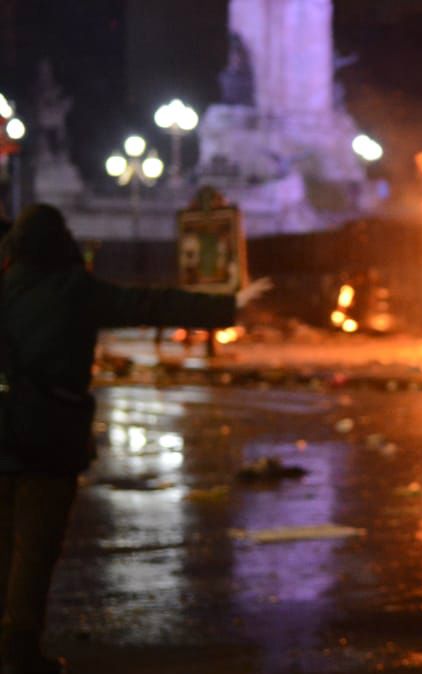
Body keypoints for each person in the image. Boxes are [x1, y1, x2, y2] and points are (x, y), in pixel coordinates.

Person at [0, 203, 271, 674]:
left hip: (2, 434)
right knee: (35, 553)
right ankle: (20, 654)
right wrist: (230, 305)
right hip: (51, 439)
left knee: (4, 549)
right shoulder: (75, 291)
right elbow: (149, 304)